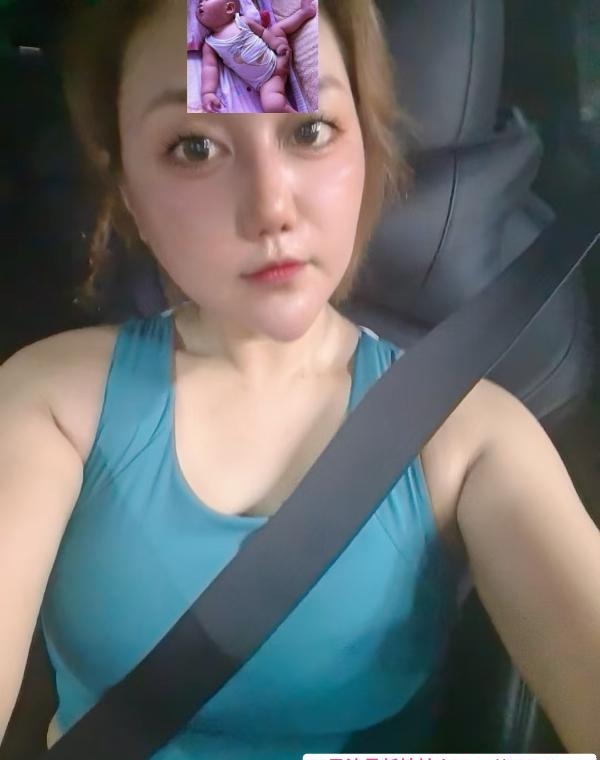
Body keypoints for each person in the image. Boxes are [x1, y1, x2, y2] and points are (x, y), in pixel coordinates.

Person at [0, 0, 599, 757]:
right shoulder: (51, 404)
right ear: (130, 199)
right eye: (194, 146)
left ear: (367, 153)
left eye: (309, 131)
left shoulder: (469, 439)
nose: (271, 207)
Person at [198, 0, 316, 113]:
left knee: (276, 29)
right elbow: (209, 68)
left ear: (229, 8)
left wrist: (277, 44)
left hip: (278, 55)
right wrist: (208, 92)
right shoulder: (210, 44)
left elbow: (263, 32)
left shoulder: (242, 21)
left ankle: (304, 13)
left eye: (206, 0)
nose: (201, 3)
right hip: (267, 82)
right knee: (271, 105)